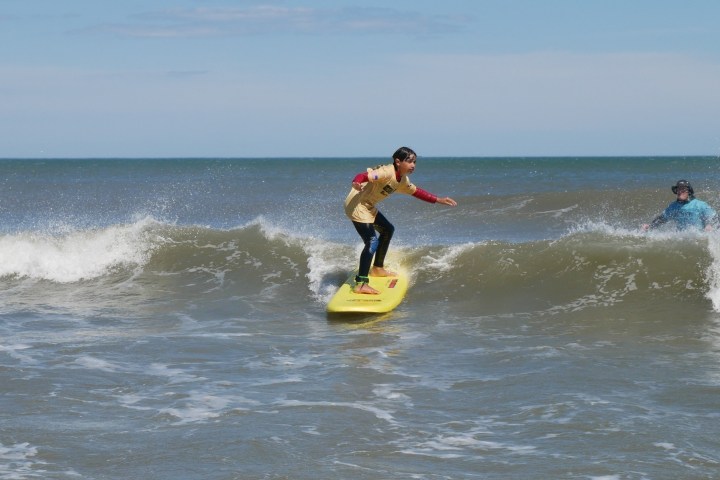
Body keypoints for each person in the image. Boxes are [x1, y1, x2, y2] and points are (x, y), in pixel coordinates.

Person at [344, 146, 457, 294]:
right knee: (372, 241)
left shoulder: (402, 180)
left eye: (415, 162)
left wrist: (438, 199)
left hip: (368, 205)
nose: (413, 165)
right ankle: (361, 284)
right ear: (398, 162)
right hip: (357, 205)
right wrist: (356, 182)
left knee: (388, 229)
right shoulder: (386, 172)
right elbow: (363, 175)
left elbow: (416, 191)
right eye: (409, 161)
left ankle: (377, 269)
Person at [642, 179, 717, 232]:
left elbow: (715, 217)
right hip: (682, 238)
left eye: (683, 189)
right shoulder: (673, 206)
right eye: (678, 189)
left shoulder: (700, 204)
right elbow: (662, 219)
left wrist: (709, 225)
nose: (680, 192)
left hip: (698, 238)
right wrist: (650, 226)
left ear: (689, 191)